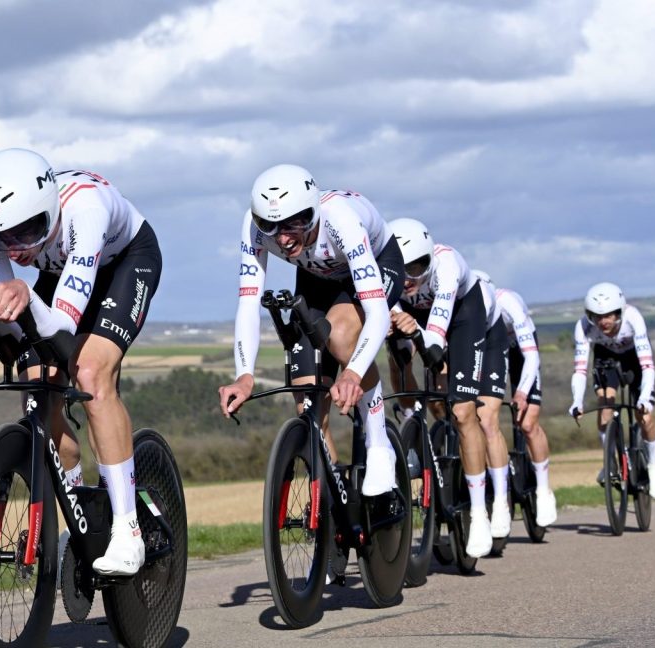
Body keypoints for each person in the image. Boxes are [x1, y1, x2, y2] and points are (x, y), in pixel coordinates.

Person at [0, 148, 163, 576]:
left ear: (49, 211)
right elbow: (16, 345)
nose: (15, 250)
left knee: (89, 373)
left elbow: (63, 328)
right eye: (0, 240)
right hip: (60, 271)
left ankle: (128, 531)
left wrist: (24, 295)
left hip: (124, 263)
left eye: (27, 232)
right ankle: (80, 510)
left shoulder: (86, 208)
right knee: (38, 390)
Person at [217, 164, 402, 498]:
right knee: (306, 399)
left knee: (343, 338)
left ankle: (378, 445)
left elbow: (377, 312)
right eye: (271, 227)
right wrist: (244, 375)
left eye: (295, 223)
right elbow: (248, 302)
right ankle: (333, 505)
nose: (284, 238)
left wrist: (353, 374)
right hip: (317, 279)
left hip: (375, 264)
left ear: (313, 211)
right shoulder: (253, 228)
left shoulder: (340, 219)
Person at [386, 218, 498, 557]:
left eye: (416, 268)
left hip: (461, 314)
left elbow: (435, 342)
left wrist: (418, 334)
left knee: (464, 412)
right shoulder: (383, 273)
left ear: (430, 260)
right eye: (399, 270)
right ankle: (410, 421)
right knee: (395, 350)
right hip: (412, 315)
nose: (407, 279)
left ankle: (479, 511)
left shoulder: (446, 266)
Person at [472, 271, 558, 527]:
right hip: (491, 349)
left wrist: (521, 391)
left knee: (528, 423)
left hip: (521, 350)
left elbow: (531, 356)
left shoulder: (507, 303)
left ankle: (543, 490)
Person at [569, 282, 655, 499]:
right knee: (605, 407)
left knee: (645, 415)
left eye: (609, 315)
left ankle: (653, 465)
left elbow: (647, 366)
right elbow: (580, 370)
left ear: (619, 312)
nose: (603, 321)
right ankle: (610, 461)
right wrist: (577, 400)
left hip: (634, 360)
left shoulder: (633, 318)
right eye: (596, 316)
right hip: (606, 358)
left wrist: (643, 398)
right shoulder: (584, 327)